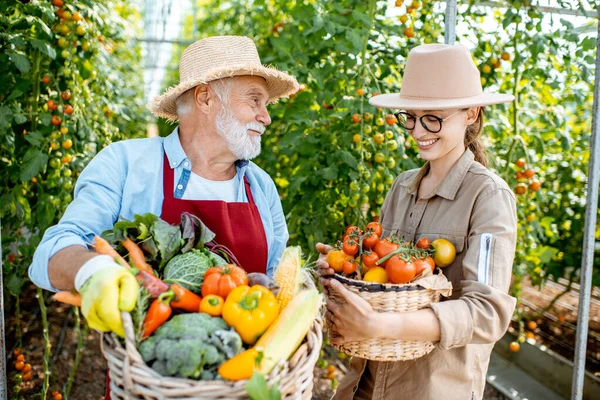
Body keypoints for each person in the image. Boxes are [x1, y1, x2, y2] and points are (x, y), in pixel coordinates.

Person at [29, 35, 298, 343]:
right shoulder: (125, 164)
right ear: (206, 98)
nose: (266, 117)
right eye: (254, 100)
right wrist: (94, 271)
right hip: (148, 379)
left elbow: (275, 281)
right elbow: (53, 252)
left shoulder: (260, 186)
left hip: (248, 378)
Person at [317, 43, 517, 399]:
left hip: (430, 389)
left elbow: (486, 313)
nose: (417, 130)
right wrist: (344, 268)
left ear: (471, 113)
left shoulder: (488, 197)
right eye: (410, 116)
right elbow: (387, 276)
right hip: (364, 382)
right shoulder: (402, 187)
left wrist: (382, 325)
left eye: (433, 118)